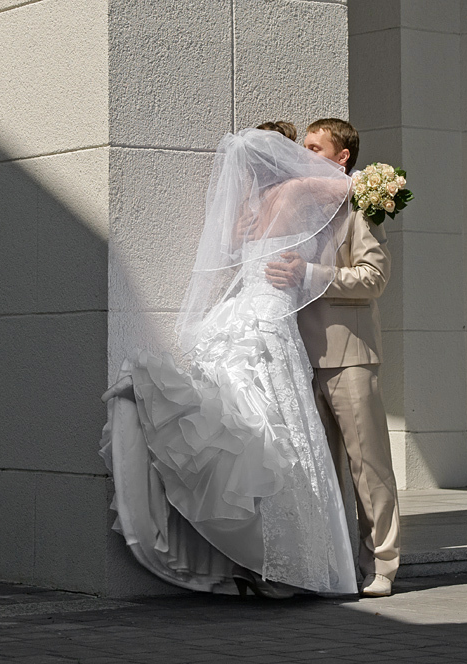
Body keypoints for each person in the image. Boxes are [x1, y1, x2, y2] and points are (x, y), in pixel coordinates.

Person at [99, 123, 358, 597]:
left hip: (237, 316)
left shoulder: (246, 210)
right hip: (268, 319)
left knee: (245, 430)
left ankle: (251, 563)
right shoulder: (298, 190)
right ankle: (289, 564)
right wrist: (374, 179)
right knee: (280, 432)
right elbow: (351, 188)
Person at [265, 118, 400, 597]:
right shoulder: (297, 206)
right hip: (298, 358)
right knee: (317, 475)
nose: (304, 154)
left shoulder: (359, 207)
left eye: (315, 147)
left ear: (342, 157)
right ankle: (329, 568)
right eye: (303, 146)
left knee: (369, 468)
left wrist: (311, 274)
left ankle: (381, 565)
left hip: (349, 355)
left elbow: (374, 278)